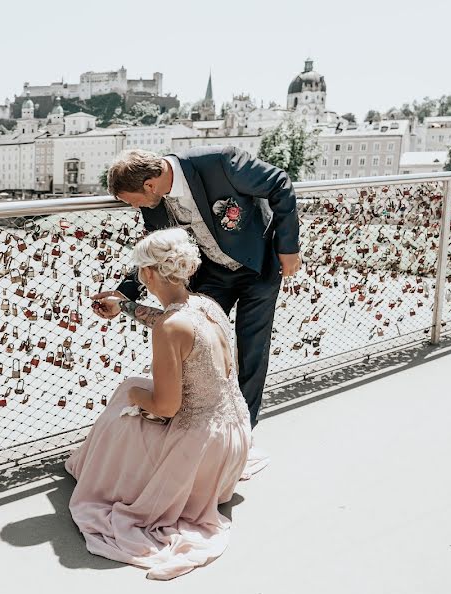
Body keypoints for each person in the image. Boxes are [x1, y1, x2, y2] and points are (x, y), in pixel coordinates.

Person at [92, 146, 302, 478]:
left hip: (260, 267)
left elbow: (279, 183)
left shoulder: (222, 163)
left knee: (251, 351)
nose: (132, 207)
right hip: (214, 275)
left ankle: (241, 437)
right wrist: (125, 293)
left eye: (130, 200)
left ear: (149, 184)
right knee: (195, 342)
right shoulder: (155, 205)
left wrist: (288, 248)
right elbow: (154, 253)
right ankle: (200, 427)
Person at [66, 228, 251, 580]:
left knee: (129, 392)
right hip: (234, 440)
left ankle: (102, 479)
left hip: (200, 455)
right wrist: (126, 307)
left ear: (149, 274)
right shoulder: (206, 304)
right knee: (134, 387)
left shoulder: (170, 328)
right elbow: (166, 318)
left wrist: (132, 395)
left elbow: (166, 408)